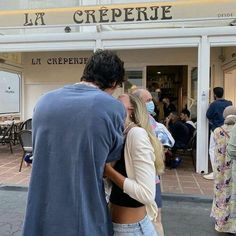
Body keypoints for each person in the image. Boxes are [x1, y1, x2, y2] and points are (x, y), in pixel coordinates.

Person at [21, 50, 126, 236]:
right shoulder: (113, 107)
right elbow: (110, 159)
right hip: (84, 210)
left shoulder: (44, 101)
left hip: (42, 208)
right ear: (113, 82)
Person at [104, 93, 165, 236]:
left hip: (132, 229)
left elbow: (146, 194)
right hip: (119, 226)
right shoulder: (121, 135)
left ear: (131, 111)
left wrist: (108, 170)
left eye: (118, 105)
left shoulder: (136, 134)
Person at [133, 88, 174, 236]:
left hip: (152, 178)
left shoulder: (152, 123)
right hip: (137, 179)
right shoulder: (133, 123)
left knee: (155, 217)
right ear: (138, 103)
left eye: (152, 100)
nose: (152, 103)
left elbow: (168, 142)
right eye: (148, 100)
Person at [211, 106, 236, 233]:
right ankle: (233, 225)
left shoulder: (217, 131)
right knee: (232, 195)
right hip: (233, 167)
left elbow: (212, 149)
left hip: (220, 169)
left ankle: (221, 222)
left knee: (221, 194)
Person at [204, 87, 232, 180]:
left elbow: (208, 115)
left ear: (214, 95)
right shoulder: (229, 103)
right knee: (226, 149)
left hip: (216, 129)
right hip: (228, 130)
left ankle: (216, 172)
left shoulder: (214, 104)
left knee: (212, 149)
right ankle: (227, 171)